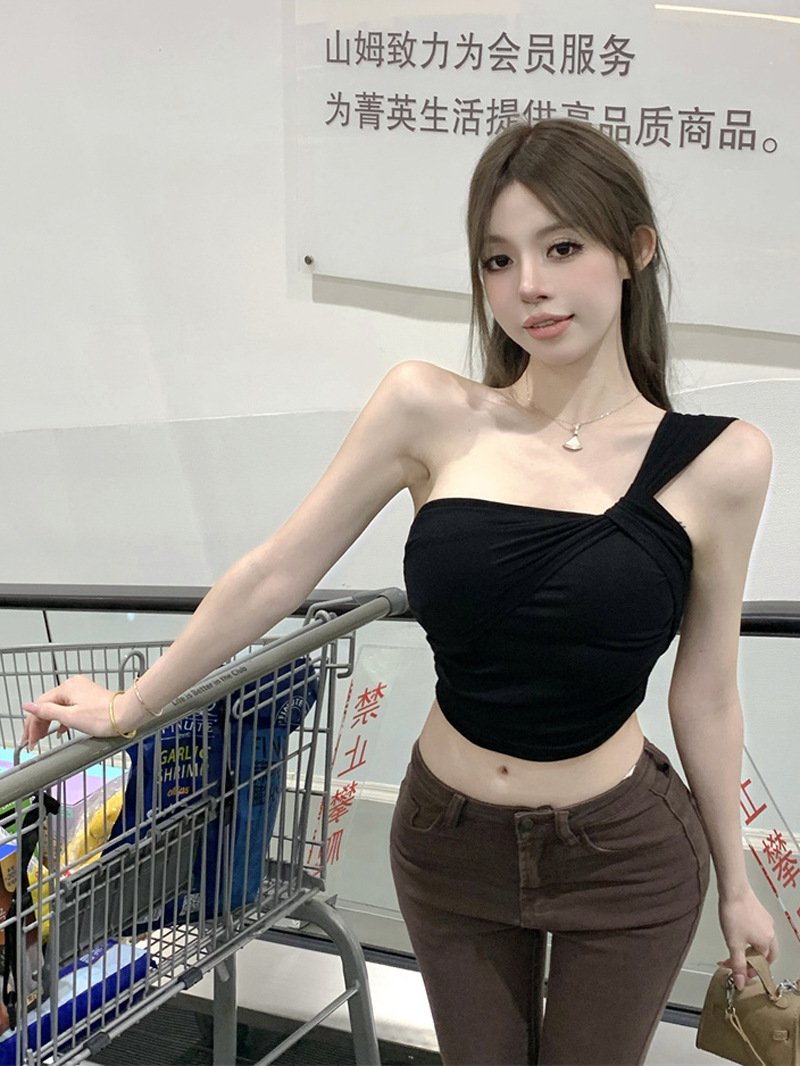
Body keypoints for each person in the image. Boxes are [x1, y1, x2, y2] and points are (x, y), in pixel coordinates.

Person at [22, 118, 776, 1065]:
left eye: (562, 248)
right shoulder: (429, 410)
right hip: (447, 842)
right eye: (498, 260)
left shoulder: (722, 461)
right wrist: (131, 707)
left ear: (635, 251)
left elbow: (707, 692)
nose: (529, 285)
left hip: (621, 856)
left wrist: (739, 888)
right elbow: (279, 570)